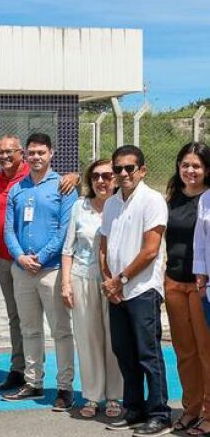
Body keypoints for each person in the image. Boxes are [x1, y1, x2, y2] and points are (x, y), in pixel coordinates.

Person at [0, 134, 80, 391]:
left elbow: (65, 229)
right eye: (32, 153)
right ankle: (33, 381)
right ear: (26, 156)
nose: (36, 157)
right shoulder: (18, 189)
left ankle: (64, 387)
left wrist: (41, 258)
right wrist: (20, 256)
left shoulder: (63, 186)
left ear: (51, 153)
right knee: (29, 330)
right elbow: (9, 229)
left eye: (41, 152)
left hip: (51, 269)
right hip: (22, 270)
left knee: (60, 331)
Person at [99, 145, 171, 435]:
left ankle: (160, 413)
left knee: (148, 353)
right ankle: (135, 408)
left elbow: (150, 250)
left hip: (141, 290)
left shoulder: (152, 201)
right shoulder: (112, 203)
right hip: (116, 292)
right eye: (118, 169)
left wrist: (121, 280)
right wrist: (108, 281)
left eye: (130, 168)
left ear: (142, 170)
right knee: (124, 351)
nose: (124, 173)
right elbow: (104, 247)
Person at [60, 159, 123, 419]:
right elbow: (68, 248)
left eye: (107, 176)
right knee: (88, 339)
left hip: (114, 281)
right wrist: (66, 283)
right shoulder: (79, 207)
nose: (101, 181)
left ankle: (115, 396)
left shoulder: (122, 207)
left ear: (116, 179)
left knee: (113, 339)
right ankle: (92, 395)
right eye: (95, 176)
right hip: (82, 277)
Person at [165, 143, 210, 435]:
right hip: (173, 283)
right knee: (184, 352)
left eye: (196, 165)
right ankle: (191, 409)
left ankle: (209, 413)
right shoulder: (172, 198)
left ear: (207, 169)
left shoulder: (208, 200)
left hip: (201, 286)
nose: (190, 171)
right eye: (185, 165)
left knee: (207, 352)